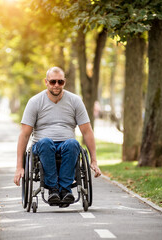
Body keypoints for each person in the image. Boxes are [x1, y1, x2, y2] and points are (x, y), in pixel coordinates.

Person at [14, 66, 101, 206]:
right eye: (53, 81)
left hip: (67, 144)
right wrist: (19, 166)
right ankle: (53, 189)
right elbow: (24, 135)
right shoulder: (35, 102)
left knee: (74, 144)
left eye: (60, 82)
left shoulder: (75, 101)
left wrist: (94, 160)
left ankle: (65, 190)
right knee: (46, 142)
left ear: (64, 82)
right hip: (42, 145)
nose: (56, 85)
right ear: (46, 82)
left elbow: (87, 131)